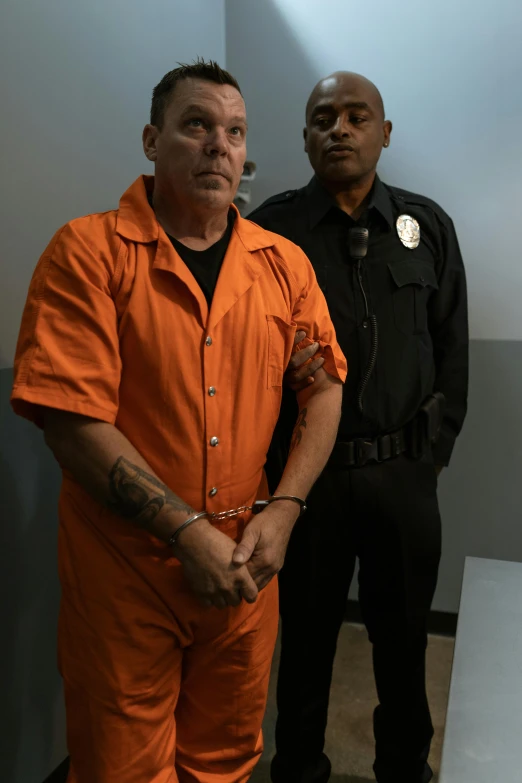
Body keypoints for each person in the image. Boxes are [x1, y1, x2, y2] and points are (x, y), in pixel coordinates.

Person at [11, 60, 346, 783]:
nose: (219, 146)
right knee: (123, 769)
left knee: (225, 760)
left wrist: (286, 508)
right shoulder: (89, 255)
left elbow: (323, 389)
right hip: (124, 574)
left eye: (234, 132)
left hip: (246, 567)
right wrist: (184, 531)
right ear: (151, 139)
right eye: (196, 125)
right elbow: (71, 422)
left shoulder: (282, 267)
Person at [248, 71, 468, 783]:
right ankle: (300, 767)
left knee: (403, 641)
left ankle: (405, 766)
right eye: (323, 118)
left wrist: (430, 455)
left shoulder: (425, 225)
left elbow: (452, 348)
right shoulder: (269, 231)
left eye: (356, 116)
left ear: (384, 132)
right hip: (307, 483)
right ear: (306, 136)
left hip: (404, 478)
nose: (339, 129)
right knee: (305, 641)